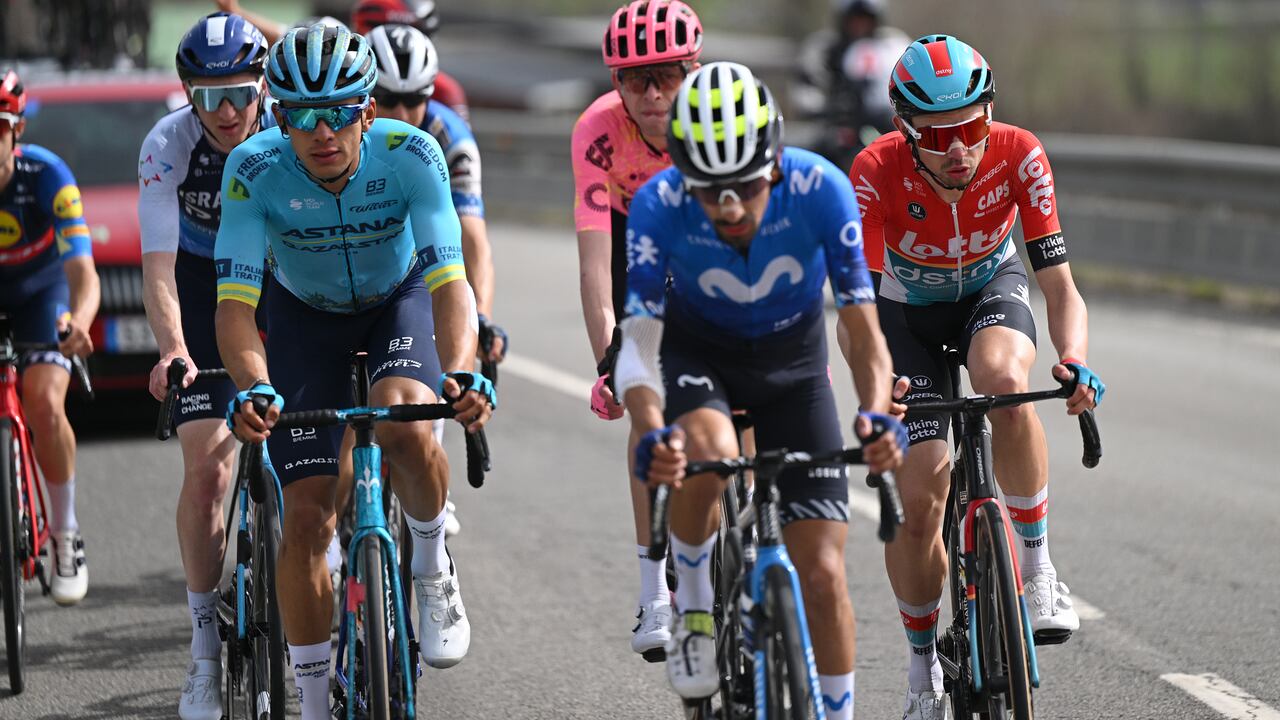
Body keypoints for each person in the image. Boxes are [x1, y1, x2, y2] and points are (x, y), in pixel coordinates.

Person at [214, 25, 494, 720]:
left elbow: (449, 282)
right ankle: (311, 704)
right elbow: (235, 307)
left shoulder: (413, 155)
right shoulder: (252, 168)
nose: (321, 131)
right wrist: (254, 385)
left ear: (369, 110)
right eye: (301, 115)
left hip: (394, 303)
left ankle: (430, 569)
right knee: (306, 516)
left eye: (338, 110)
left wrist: (461, 371)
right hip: (304, 316)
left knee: (405, 422)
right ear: (278, 117)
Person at [618, 61, 907, 720]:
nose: (729, 207)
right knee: (710, 453)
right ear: (679, 171)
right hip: (702, 358)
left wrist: (875, 410)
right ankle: (692, 605)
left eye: (745, 185)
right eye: (709, 188)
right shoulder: (657, 207)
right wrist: (653, 427)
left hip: (793, 366)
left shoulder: (821, 188)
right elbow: (636, 345)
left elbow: (863, 329)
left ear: (774, 162)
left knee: (825, 573)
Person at [848, 34, 1106, 720]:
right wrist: (880, 393)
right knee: (924, 484)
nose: (960, 148)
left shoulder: (1019, 152)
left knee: (1006, 386)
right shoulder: (874, 170)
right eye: (940, 135)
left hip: (991, 288)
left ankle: (1039, 567)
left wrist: (1074, 357)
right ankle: (920, 672)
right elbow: (859, 304)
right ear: (905, 129)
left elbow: (1060, 285)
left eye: (972, 126)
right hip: (904, 318)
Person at [136, 12, 272, 719]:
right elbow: (158, 263)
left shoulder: (287, 127)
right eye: (206, 97)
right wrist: (174, 349)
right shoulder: (168, 143)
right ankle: (203, 654)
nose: (224, 112)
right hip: (198, 279)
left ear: (263, 90)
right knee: (209, 468)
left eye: (240, 94)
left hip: (278, 276)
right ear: (185, 95)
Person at [571, 0, 703, 662]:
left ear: (693, 70)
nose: (652, 94)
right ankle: (654, 584)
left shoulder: (717, 112)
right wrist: (607, 360)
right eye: (635, 79)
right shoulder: (598, 129)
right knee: (644, 398)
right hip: (631, 242)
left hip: (700, 233)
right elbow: (597, 264)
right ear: (616, 82)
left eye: (668, 75)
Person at [361, 21, 508, 536]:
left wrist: (480, 315)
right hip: (349, 269)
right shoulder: (344, 129)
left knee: (432, 388)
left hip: (421, 268)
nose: (402, 116)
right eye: (388, 99)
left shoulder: (449, 138)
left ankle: (428, 505)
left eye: (415, 100)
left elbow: (473, 242)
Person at [0, 67, 99, 607]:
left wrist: (80, 320)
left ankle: (64, 533)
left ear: (16, 131)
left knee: (42, 399)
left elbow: (83, 272)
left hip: (43, 292)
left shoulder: (47, 175)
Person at [211, 0, 470, 119]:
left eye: (414, 98)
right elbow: (285, 35)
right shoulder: (337, 39)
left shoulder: (447, 90)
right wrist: (236, 12)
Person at [794, 0, 909, 170]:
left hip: (886, 124)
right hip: (836, 128)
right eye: (854, 19)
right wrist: (830, 108)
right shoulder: (823, 48)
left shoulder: (895, 45)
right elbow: (804, 95)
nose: (859, 25)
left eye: (865, 19)